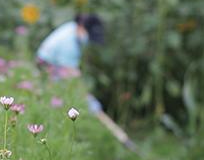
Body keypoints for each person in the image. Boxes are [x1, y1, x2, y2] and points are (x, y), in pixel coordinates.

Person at [36, 14, 136, 151]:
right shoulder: (69, 43)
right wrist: (89, 101)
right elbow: (72, 77)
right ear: (82, 28)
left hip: (54, 66)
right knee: (65, 101)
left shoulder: (73, 29)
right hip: (47, 68)